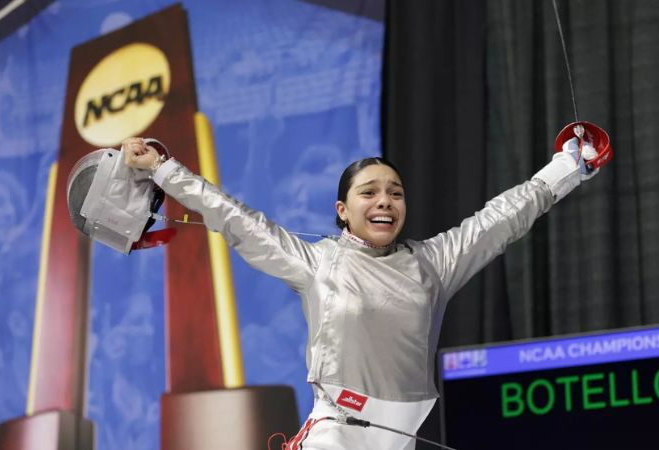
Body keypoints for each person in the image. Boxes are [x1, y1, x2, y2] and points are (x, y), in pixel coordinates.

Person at [122, 134, 600, 450]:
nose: (385, 201)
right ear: (342, 210)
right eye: (369, 192)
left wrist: (569, 166)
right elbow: (233, 217)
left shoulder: (432, 264)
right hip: (336, 436)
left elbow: (502, 220)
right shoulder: (316, 262)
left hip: (403, 436)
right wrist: (165, 170)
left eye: (395, 192)